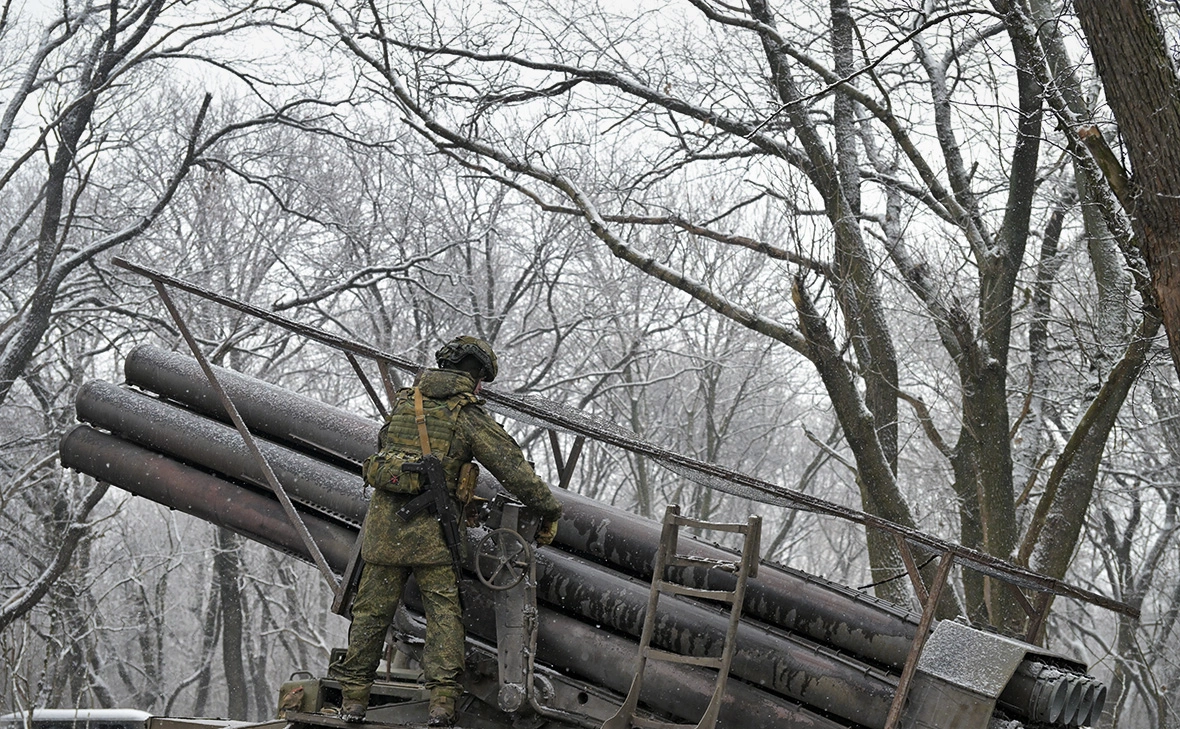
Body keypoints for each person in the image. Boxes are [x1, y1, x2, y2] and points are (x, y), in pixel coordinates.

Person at [329, 335, 563, 727]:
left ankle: (353, 700)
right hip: (433, 534)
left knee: (371, 614)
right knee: (443, 616)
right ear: (476, 379)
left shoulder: (406, 403)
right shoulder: (466, 415)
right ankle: (441, 703)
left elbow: (385, 450)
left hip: (384, 533)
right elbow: (513, 469)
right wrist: (549, 509)